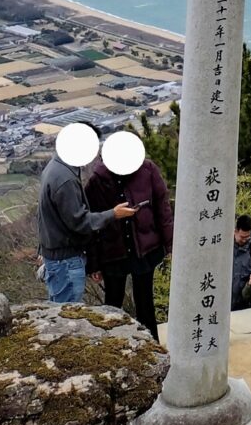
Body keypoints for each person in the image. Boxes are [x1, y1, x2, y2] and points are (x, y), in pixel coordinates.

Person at [85, 129, 173, 342]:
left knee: (145, 303)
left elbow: (162, 209)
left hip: (144, 248)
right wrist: (94, 264)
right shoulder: (97, 181)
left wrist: (171, 245)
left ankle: (152, 347)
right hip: (113, 251)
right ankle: (111, 348)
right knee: (112, 304)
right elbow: (91, 224)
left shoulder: (148, 170)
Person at [37, 122, 136, 306]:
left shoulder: (56, 166)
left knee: (60, 310)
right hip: (66, 261)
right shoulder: (65, 179)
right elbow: (81, 222)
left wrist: (42, 249)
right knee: (68, 313)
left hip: (57, 257)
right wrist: (113, 214)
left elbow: (44, 215)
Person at [231, 214, 251, 309]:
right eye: (242, 237)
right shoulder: (225, 243)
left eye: (247, 237)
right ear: (235, 231)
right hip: (224, 297)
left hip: (242, 299)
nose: (245, 240)